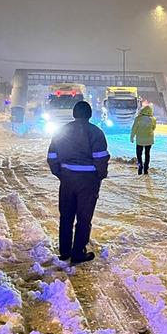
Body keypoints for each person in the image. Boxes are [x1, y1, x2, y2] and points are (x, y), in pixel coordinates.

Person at [46, 101, 109, 265]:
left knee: (66, 215)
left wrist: (60, 173)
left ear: (74, 114)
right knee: (83, 217)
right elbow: (101, 158)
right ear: (89, 115)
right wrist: (99, 176)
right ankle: (78, 252)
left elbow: (52, 156)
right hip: (88, 182)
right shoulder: (95, 132)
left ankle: (65, 251)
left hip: (67, 180)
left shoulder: (61, 131)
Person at [130, 105, 156, 175]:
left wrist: (132, 137)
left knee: (139, 154)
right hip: (149, 140)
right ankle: (146, 169)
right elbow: (154, 128)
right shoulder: (153, 119)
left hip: (140, 140)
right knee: (147, 154)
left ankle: (140, 166)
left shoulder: (138, 118)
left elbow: (134, 129)